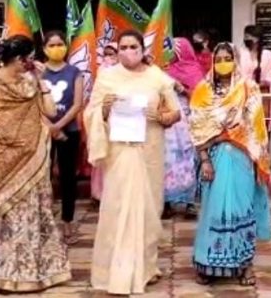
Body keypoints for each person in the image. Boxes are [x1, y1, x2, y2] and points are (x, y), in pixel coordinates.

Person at [85, 30, 181, 295]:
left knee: (148, 210)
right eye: (123, 47)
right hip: (120, 153)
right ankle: (114, 271)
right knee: (117, 209)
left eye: (133, 46)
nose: (128, 51)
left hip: (149, 151)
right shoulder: (107, 77)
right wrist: (104, 108)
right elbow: (91, 114)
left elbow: (175, 113)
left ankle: (146, 268)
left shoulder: (157, 77)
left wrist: (160, 116)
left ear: (142, 49)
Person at [0, 35, 71, 292]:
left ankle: (35, 271)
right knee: (8, 217)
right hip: (4, 163)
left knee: (34, 213)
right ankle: (1, 273)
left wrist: (41, 82)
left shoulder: (30, 82)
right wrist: (25, 141)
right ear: (19, 59)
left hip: (33, 161)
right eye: (29, 59)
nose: (32, 63)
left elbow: (51, 112)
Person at [189, 42, 271, 286]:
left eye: (228, 58)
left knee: (242, 209)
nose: (223, 63)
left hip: (243, 158)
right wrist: (205, 160)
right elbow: (197, 128)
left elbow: (255, 128)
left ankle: (245, 265)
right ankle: (207, 264)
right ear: (212, 62)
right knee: (213, 211)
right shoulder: (203, 91)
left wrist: (234, 138)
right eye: (219, 59)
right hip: (214, 160)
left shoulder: (249, 89)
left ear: (235, 60)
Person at [41, 31, 84, 245]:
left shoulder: (75, 72)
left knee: (68, 178)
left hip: (70, 131)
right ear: (44, 49)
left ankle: (67, 221)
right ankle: (44, 223)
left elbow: (78, 104)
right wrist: (50, 127)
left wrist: (59, 126)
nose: (56, 48)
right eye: (52, 45)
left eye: (60, 44)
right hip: (43, 132)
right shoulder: (38, 72)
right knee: (43, 178)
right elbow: (34, 104)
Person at [163, 37, 205, 219]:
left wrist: (182, 90)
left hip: (189, 122)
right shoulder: (164, 70)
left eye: (173, 50)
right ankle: (166, 202)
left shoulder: (195, 71)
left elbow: (201, 97)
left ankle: (190, 202)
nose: (170, 54)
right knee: (167, 161)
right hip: (169, 125)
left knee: (189, 160)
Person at [89, 42, 118, 205]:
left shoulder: (126, 73)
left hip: (121, 121)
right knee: (102, 155)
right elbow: (96, 98)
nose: (108, 57)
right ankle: (99, 193)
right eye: (105, 54)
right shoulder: (102, 72)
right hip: (103, 120)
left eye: (112, 54)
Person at [239, 25, 271, 93]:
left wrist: (258, 84)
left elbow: (269, 77)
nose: (245, 39)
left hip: (262, 92)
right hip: (244, 91)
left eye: (247, 37)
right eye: (245, 37)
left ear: (257, 39)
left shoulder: (268, 55)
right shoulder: (241, 54)